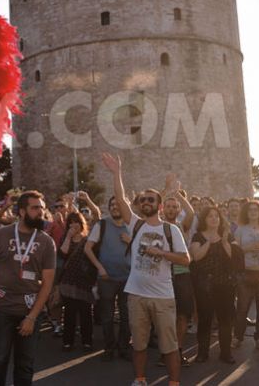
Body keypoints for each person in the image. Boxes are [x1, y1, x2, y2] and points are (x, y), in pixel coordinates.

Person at [101, 153, 190, 386]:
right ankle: (140, 380)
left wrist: (162, 253)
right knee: (139, 344)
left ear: (159, 206)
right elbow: (121, 199)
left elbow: (185, 260)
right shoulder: (136, 224)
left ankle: (174, 382)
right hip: (137, 296)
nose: (146, 202)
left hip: (163, 296)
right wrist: (117, 172)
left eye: (151, 200)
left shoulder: (171, 230)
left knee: (169, 346)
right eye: (143, 200)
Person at [0, 191, 56, 386]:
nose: (40, 212)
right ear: (22, 211)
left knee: (25, 365)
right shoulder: (2, 234)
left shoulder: (46, 242)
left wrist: (32, 317)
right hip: (2, 309)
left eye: (42, 208)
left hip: (30, 310)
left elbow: (47, 284)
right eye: (35, 208)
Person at [86, 196, 132, 361]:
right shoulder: (102, 224)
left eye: (117, 204)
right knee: (107, 316)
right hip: (107, 278)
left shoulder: (132, 226)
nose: (114, 207)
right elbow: (88, 248)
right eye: (111, 204)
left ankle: (124, 347)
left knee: (127, 316)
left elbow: (143, 249)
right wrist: (100, 267)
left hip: (128, 278)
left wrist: (131, 241)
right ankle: (109, 348)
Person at [189, 205, 235, 363]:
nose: (214, 218)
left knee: (225, 320)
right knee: (205, 319)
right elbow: (196, 256)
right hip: (204, 285)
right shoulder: (198, 236)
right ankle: (202, 353)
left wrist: (224, 241)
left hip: (225, 284)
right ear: (204, 219)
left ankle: (226, 353)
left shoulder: (227, 235)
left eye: (216, 216)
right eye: (210, 216)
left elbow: (233, 256)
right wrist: (209, 240)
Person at [233, 201, 259, 350]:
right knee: (242, 307)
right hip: (246, 273)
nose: (253, 212)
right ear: (246, 212)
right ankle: (237, 336)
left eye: (256, 210)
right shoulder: (240, 230)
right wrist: (248, 248)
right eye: (250, 210)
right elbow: (235, 252)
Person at [160, 190, 195, 367]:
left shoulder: (181, 227)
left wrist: (178, 193)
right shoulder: (156, 226)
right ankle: (165, 352)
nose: (171, 209)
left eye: (175, 207)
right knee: (165, 317)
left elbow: (191, 213)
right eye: (168, 206)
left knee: (182, 316)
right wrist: (166, 190)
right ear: (162, 208)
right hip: (163, 275)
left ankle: (178, 351)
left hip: (182, 275)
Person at [58, 211, 94, 351]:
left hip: (84, 281)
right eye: (71, 222)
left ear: (81, 223)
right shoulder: (65, 239)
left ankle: (87, 341)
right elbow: (63, 254)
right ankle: (68, 342)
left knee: (86, 313)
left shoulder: (88, 240)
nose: (73, 225)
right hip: (69, 281)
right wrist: (68, 237)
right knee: (69, 313)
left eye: (76, 222)